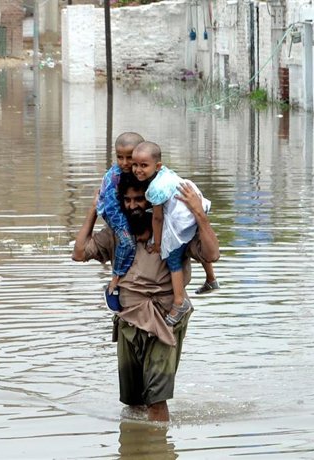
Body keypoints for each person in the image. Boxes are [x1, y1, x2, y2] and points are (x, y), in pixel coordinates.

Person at [72, 172, 220, 422]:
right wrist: (93, 211)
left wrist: (199, 215)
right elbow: (78, 253)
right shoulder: (117, 233)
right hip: (129, 321)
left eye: (139, 199)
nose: (133, 206)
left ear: (151, 201)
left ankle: (157, 447)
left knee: (156, 399)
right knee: (133, 403)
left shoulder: (173, 231)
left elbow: (212, 254)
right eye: (127, 201)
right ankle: (136, 448)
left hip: (165, 320)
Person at [130, 141, 219, 325]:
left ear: (157, 166)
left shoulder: (155, 188)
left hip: (185, 214)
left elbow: (157, 219)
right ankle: (211, 278)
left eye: (143, 165)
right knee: (194, 237)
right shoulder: (166, 174)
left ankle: (179, 302)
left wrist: (158, 243)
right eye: (135, 165)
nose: (138, 170)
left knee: (172, 256)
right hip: (194, 202)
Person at [96, 132, 144, 302]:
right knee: (127, 242)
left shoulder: (141, 170)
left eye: (129, 158)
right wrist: (125, 227)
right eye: (120, 157)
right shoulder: (114, 176)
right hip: (112, 212)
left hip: (124, 209)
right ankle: (115, 280)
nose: (124, 163)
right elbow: (110, 207)